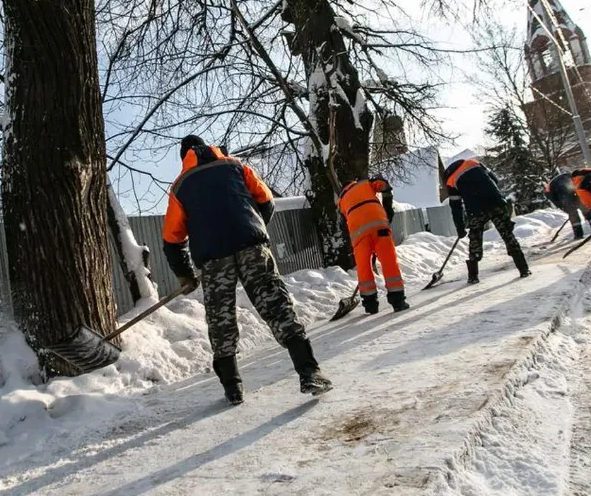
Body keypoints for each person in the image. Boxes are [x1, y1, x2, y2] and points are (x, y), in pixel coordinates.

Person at [162, 135, 332, 405]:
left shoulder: (181, 186)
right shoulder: (235, 166)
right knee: (276, 304)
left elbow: (172, 239)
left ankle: (233, 388)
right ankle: (309, 371)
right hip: (252, 245)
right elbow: (266, 200)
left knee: (221, 317)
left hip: (213, 257)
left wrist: (184, 274)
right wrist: (254, 228)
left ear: (184, 158)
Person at [443, 157, 531, 284]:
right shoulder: (474, 162)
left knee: (475, 238)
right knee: (507, 234)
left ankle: (473, 276)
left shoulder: (451, 181)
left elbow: (456, 207)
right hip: (495, 202)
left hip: (476, 209)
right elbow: (495, 179)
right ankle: (524, 269)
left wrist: (460, 229)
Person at [338, 176, 409, 313]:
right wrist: (388, 209)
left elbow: (343, 224)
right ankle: (398, 301)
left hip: (358, 234)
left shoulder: (341, 201)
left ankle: (370, 305)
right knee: (389, 262)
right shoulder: (365, 184)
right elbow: (384, 185)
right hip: (379, 225)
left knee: (363, 268)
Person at [545, 171, 591, 240]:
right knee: (587, 211)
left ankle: (578, 235)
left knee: (574, 215)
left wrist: (566, 209)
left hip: (566, 195)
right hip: (574, 191)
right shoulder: (569, 175)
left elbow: (556, 201)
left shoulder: (549, 189)